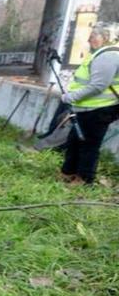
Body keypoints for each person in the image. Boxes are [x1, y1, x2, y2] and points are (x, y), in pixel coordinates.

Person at [58, 22, 119, 185]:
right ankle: (68, 173)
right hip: (87, 107)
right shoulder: (102, 53)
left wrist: (70, 97)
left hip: (98, 109)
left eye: (94, 36)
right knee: (75, 141)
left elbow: (97, 86)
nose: (89, 39)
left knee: (88, 144)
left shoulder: (109, 56)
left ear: (105, 37)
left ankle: (84, 179)